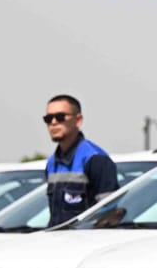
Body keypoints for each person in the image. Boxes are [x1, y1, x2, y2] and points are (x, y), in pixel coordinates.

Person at [43, 95, 118, 225]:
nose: (53, 123)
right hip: (56, 236)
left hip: (86, 237)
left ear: (78, 120)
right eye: (48, 119)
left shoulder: (96, 159)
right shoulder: (52, 163)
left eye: (60, 117)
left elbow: (108, 214)